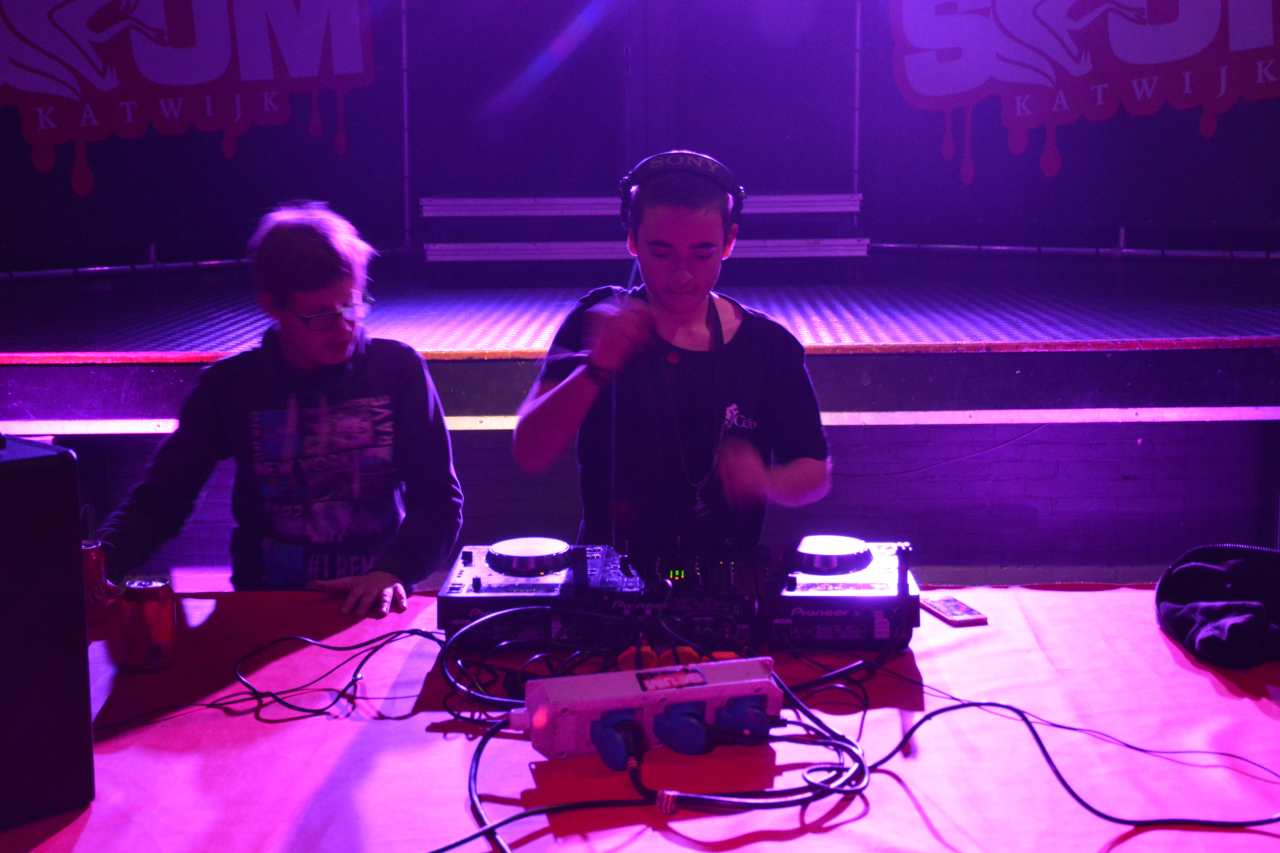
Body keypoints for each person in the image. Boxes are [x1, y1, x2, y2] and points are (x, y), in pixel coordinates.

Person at [98, 202, 463, 616]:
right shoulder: (233, 385)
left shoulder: (397, 369)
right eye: (320, 316)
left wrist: (394, 570)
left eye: (352, 305)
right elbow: (161, 501)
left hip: (374, 602)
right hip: (266, 605)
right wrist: (97, 567)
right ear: (273, 306)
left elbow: (439, 500)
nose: (343, 327)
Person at [512, 150, 829, 563]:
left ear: (729, 242)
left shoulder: (768, 345)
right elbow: (530, 451)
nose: (682, 274)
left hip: (727, 574)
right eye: (662, 253)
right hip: (611, 574)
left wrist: (766, 481)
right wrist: (597, 366)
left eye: (702, 254)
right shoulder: (596, 318)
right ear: (632, 240)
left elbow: (814, 469)